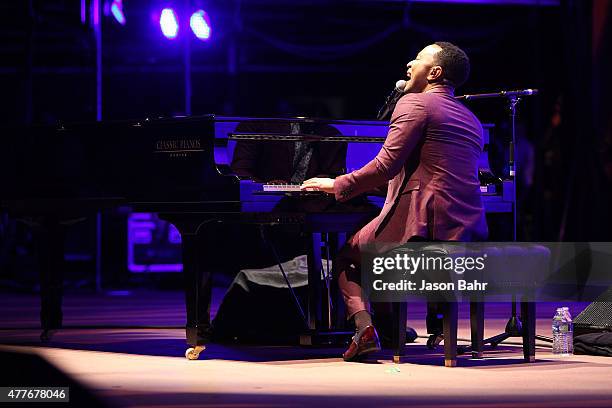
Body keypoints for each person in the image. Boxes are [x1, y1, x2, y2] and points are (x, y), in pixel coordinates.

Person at [301, 42, 488, 361]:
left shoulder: (415, 103)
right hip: (466, 225)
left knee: (347, 256)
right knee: (375, 248)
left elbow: (386, 165)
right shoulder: (472, 119)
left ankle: (366, 331)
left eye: (418, 59)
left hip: (425, 224)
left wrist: (338, 184)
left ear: (435, 72)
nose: (409, 64)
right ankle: (390, 329)